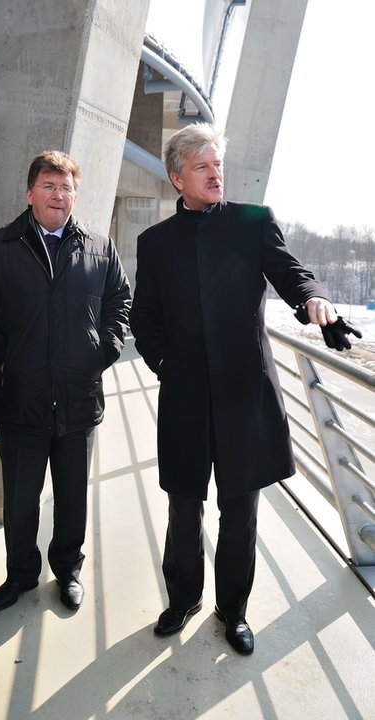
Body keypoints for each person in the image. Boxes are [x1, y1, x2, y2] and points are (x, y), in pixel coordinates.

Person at [129, 123, 360, 655]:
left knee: (241, 512)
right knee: (183, 508)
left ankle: (233, 611)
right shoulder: (155, 242)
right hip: (186, 398)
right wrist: (168, 365)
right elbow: (145, 318)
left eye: (218, 166)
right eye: (203, 167)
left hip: (244, 396)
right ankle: (183, 597)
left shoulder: (252, 221)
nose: (215, 175)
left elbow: (290, 272)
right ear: (176, 177)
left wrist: (315, 304)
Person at [0, 150, 131, 613]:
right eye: (49, 186)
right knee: (20, 499)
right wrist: (2, 355)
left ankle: (68, 571)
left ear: (76, 195)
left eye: (67, 188)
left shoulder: (100, 247)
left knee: (72, 496)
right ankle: (19, 575)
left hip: (79, 397)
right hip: (22, 396)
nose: (59, 195)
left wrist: (105, 350)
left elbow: (121, 301)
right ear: (30, 192)